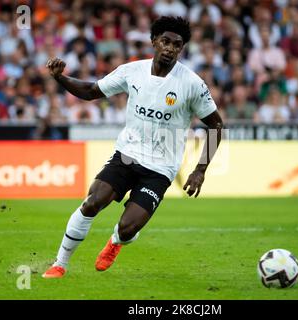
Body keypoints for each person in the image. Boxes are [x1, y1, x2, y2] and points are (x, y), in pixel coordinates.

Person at [42, 16, 223, 278]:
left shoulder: (192, 84)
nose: (170, 48)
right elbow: (92, 91)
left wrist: (200, 170)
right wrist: (61, 79)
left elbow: (217, 126)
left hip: (160, 168)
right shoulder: (131, 71)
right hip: (127, 156)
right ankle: (60, 263)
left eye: (177, 44)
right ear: (154, 42)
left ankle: (116, 242)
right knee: (92, 202)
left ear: (182, 48)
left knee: (128, 229)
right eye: (165, 41)